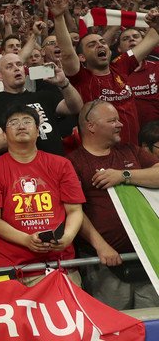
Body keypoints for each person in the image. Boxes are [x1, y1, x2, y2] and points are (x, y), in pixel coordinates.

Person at [0, 105, 85, 285]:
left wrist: (66, 238)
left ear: (38, 130)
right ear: (4, 134)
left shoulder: (61, 164)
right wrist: (26, 240)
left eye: (27, 121)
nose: (21, 126)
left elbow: (74, 210)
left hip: (62, 266)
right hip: (17, 270)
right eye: (13, 122)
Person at [68, 100, 159, 309]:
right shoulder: (73, 162)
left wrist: (124, 175)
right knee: (114, 329)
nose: (120, 124)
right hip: (105, 264)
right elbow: (73, 211)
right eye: (112, 120)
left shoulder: (130, 151)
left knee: (153, 325)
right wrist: (102, 247)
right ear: (91, 126)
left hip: (147, 256)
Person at [51, 0, 159, 145]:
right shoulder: (81, 76)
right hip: (101, 155)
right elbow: (68, 54)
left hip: (132, 149)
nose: (100, 45)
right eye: (92, 44)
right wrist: (59, 18)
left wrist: (155, 25)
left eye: (102, 42)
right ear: (82, 57)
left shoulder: (121, 65)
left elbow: (152, 38)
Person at [0, 53, 82, 155]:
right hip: (25, 168)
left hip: (57, 163)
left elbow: (75, 107)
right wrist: (30, 123)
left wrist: (64, 83)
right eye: (9, 67)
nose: (16, 68)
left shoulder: (43, 96)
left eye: (19, 64)